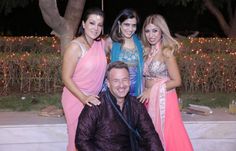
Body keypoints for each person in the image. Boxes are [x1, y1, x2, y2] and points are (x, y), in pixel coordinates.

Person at [75, 61, 164, 151]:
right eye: (116, 81)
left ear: (129, 81)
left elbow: (150, 135)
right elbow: (81, 140)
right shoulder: (95, 106)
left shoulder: (136, 105)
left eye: (124, 80)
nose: (121, 85)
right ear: (108, 83)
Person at [139, 14, 193, 151]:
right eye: (147, 31)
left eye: (155, 30)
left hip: (165, 100)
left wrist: (152, 90)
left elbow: (177, 81)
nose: (151, 35)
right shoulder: (147, 51)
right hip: (148, 100)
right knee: (152, 135)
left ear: (162, 31)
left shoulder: (166, 52)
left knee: (169, 134)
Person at [61, 8, 107, 151]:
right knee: (77, 140)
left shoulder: (101, 44)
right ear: (83, 24)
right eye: (92, 23)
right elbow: (66, 78)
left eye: (99, 25)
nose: (96, 28)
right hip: (76, 98)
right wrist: (83, 97)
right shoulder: (75, 47)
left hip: (94, 99)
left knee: (91, 141)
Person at [104, 8, 143, 96]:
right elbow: (100, 64)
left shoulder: (140, 43)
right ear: (119, 23)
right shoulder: (110, 42)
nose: (130, 29)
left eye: (134, 25)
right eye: (126, 24)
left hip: (136, 91)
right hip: (117, 89)